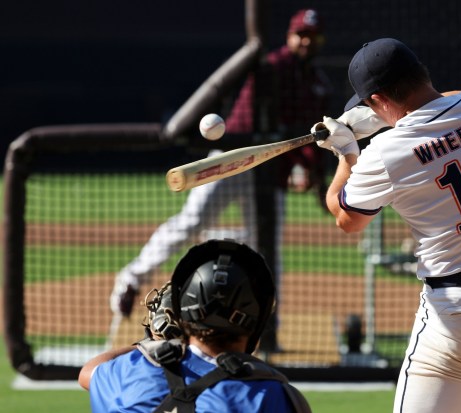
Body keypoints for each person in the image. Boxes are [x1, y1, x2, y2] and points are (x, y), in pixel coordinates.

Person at [312, 38, 461, 413]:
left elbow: (347, 218)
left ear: (377, 100)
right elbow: (456, 95)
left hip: (458, 315)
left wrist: (347, 153)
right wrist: (390, 114)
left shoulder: (387, 153)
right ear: (420, 71)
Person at [110, 9, 331, 352]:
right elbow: (279, 122)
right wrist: (304, 168)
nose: (305, 41)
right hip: (232, 159)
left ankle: (267, 326)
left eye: (311, 36)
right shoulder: (271, 66)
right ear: (289, 35)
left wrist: (312, 175)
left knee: (267, 248)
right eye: (300, 34)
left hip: (269, 173)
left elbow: (307, 137)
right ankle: (131, 278)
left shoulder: (316, 82)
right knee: (192, 221)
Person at [80, 239, 311, 413]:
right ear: (257, 321)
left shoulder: (126, 376)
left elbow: (89, 372)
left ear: (182, 312)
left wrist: (160, 344)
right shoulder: (274, 398)